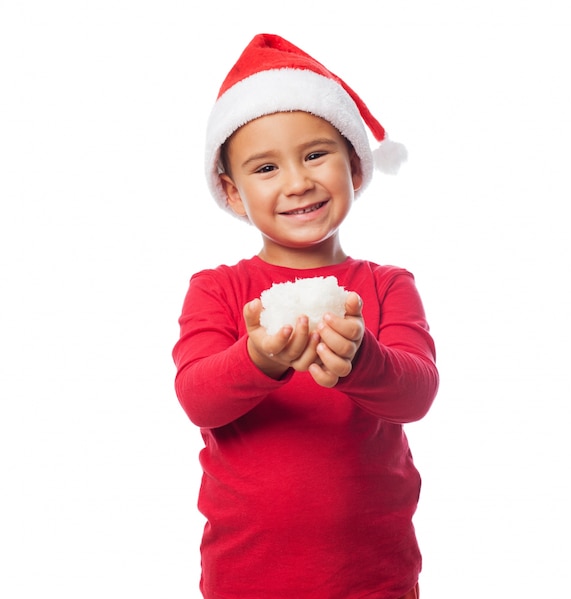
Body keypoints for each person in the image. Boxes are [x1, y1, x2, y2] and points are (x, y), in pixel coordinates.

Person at [172, 33, 439, 599]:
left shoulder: (388, 286)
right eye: (265, 167)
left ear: (356, 166)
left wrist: (361, 359)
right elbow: (198, 397)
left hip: (374, 577)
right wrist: (257, 357)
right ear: (233, 192)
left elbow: (416, 395)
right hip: (247, 576)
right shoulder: (218, 290)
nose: (297, 182)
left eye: (316, 154)